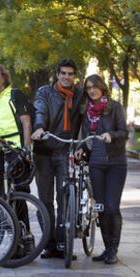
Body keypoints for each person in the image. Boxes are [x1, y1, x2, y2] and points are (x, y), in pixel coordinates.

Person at [31, 59, 84, 259]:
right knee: (45, 200)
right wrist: (39, 128)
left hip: (65, 152)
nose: (67, 77)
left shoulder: (80, 94)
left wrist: (81, 145)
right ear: (57, 74)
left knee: (65, 199)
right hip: (44, 151)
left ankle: (63, 243)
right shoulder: (45, 92)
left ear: (74, 76)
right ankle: (49, 243)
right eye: (63, 73)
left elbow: (86, 118)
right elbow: (40, 110)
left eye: (70, 74)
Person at [0, 63, 34, 257]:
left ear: (4, 77)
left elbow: (26, 123)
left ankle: (25, 238)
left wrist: (26, 150)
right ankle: (0, 242)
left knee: (19, 196)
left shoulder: (15, 95)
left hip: (16, 150)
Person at [76, 74, 128, 264]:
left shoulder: (114, 107)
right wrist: (81, 150)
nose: (92, 90)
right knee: (101, 207)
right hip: (96, 163)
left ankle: (113, 249)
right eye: (88, 88)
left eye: (94, 86)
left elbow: (124, 132)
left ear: (102, 87)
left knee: (113, 207)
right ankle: (107, 249)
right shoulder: (86, 111)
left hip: (115, 163)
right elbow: (86, 138)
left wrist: (111, 135)